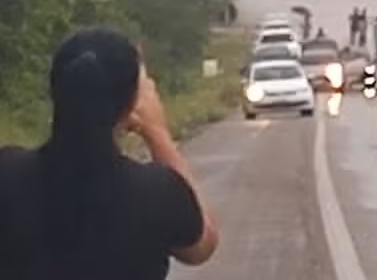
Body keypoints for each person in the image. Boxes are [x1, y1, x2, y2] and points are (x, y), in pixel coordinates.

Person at [0, 27, 219, 278]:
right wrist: (157, 132)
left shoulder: (7, 175)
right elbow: (202, 247)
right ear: (132, 103)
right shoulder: (157, 191)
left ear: (55, 92)